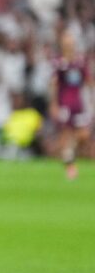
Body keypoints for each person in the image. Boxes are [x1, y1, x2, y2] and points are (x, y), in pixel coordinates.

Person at [49, 31, 93, 180]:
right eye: (66, 43)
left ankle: (68, 155)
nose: (69, 46)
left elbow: (88, 81)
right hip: (65, 104)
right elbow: (54, 84)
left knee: (84, 134)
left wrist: (91, 98)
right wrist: (54, 104)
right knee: (66, 134)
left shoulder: (80, 61)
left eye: (71, 43)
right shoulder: (59, 63)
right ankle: (70, 167)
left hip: (79, 104)